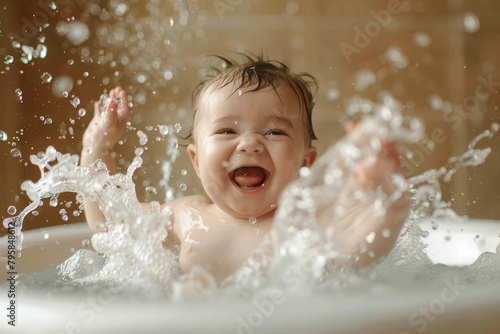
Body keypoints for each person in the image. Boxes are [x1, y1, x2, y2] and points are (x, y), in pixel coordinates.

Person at [81, 55, 410, 283]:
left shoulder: (308, 218)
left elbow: (363, 248)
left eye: (275, 132)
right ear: (196, 160)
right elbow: (112, 223)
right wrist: (98, 147)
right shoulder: (188, 216)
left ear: (304, 163)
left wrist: (389, 202)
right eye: (227, 131)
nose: (250, 143)